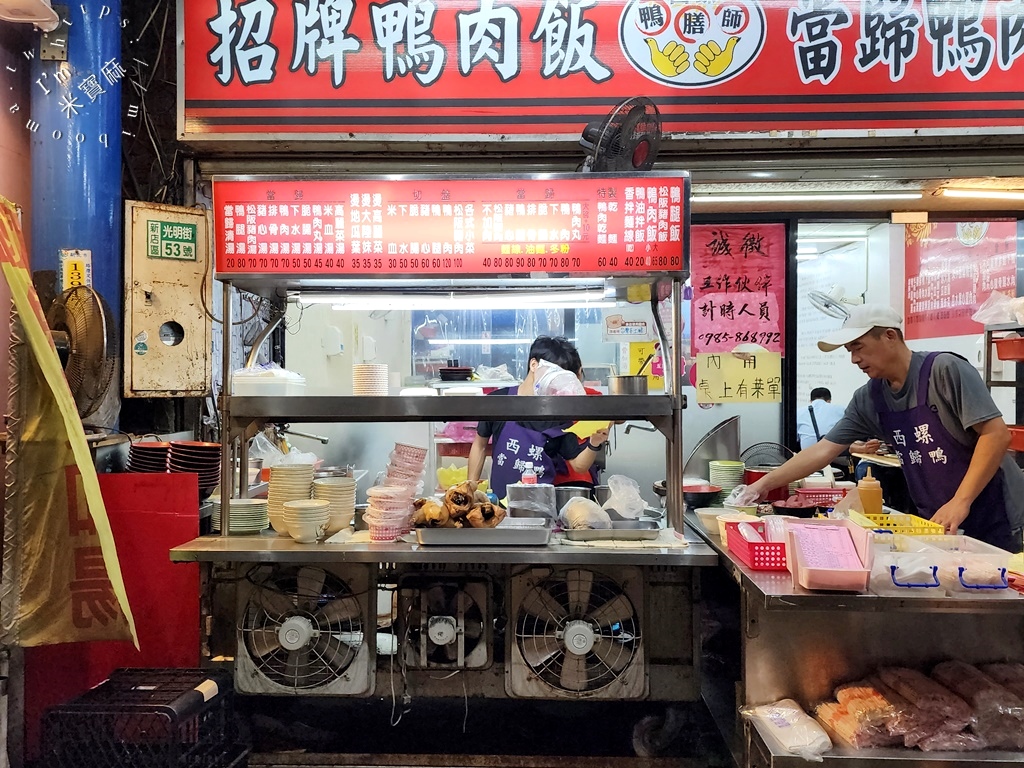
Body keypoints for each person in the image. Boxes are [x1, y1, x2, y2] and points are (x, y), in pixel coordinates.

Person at [743, 304, 1024, 552]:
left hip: (994, 512)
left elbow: (995, 435)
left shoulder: (944, 370)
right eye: (850, 351)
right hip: (938, 518)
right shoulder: (869, 397)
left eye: (859, 347)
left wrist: (961, 501)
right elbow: (824, 450)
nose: (854, 359)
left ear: (890, 336)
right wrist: (762, 486)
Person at [467, 336, 609, 501]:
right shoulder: (499, 401)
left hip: (541, 508)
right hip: (500, 506)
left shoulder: (558, 413)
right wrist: (470, 488)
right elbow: (480, 445)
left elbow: (579, 465)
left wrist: (594, 443)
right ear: (534, 365)